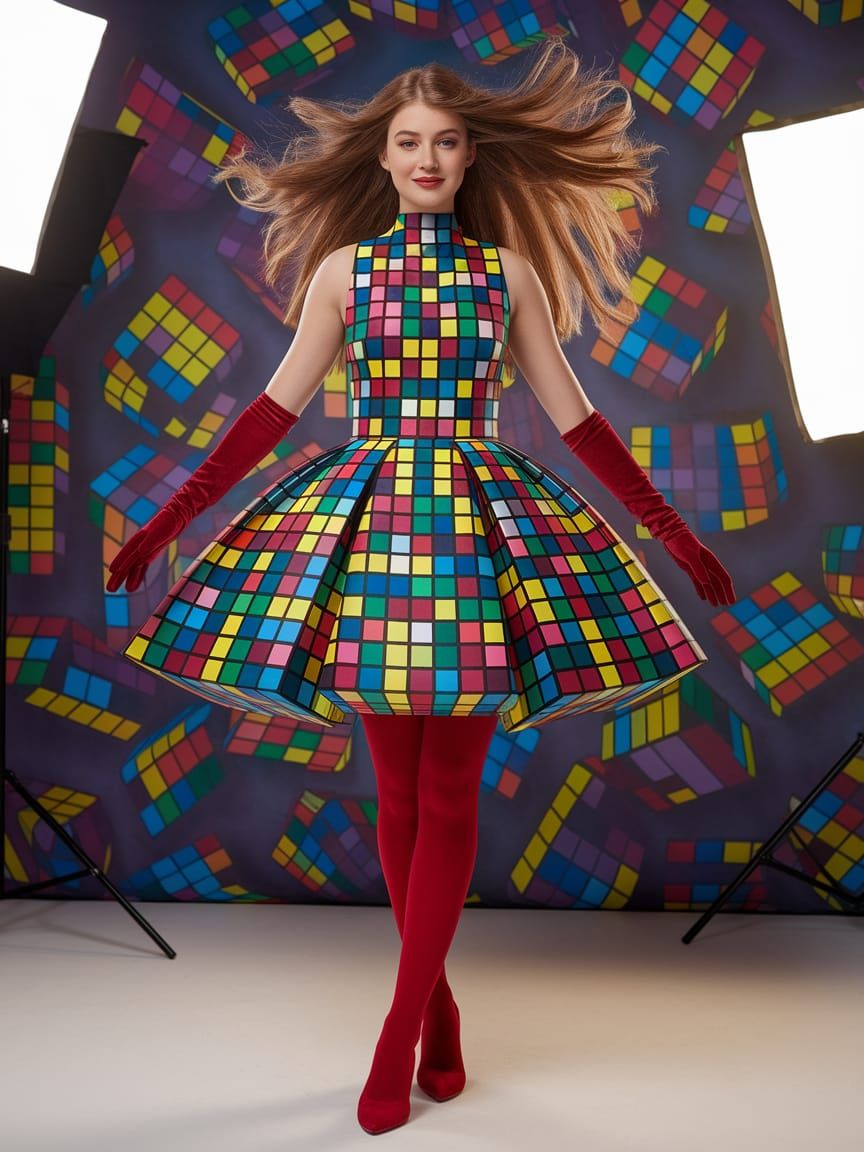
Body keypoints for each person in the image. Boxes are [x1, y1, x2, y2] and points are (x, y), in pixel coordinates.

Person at [107, 38, 734, 1134]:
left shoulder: (508, 275)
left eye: (446, 143)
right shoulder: (346, 273)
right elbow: (272, 409)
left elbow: (579, 418)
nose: (428, 159)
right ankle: (437, 1009)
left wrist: (673, 532)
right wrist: (170, 514)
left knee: (447, 792)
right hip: (370, 532)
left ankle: (396, 1036)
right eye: (410, 144)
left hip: (477, 537)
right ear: (386, 160)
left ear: (470, 156)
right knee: (394, 793)